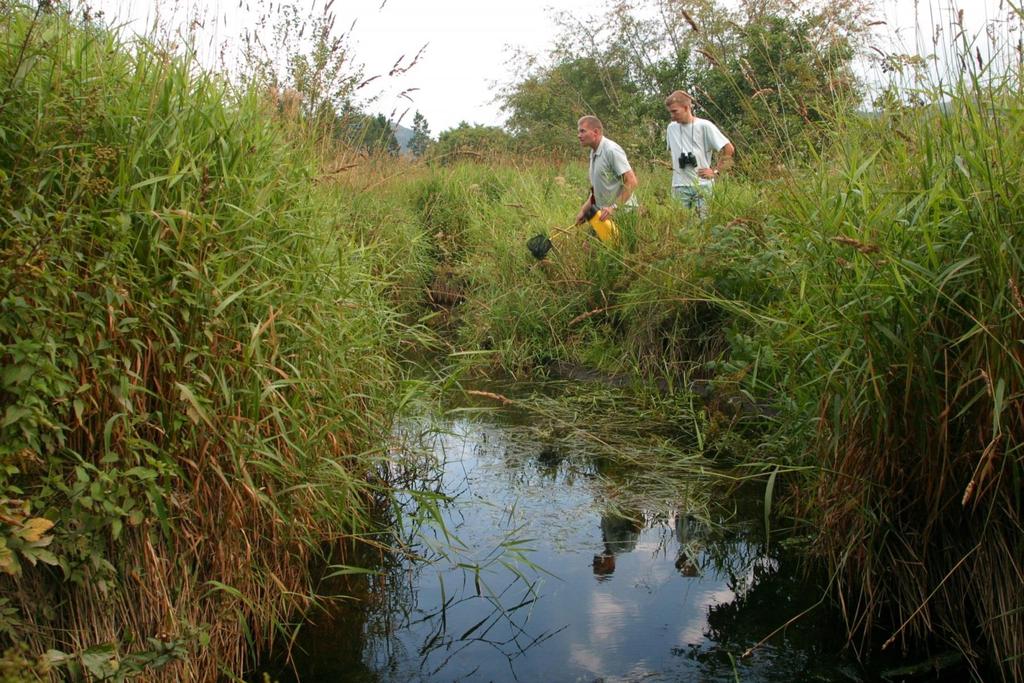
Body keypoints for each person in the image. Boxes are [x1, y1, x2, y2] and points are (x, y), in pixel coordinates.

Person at [664, 90, 734, 216]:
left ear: (686, 108)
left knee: (702, 223)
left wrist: (716, 172)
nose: (672, 116)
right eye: (670, 112)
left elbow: (729, 148)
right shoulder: (671, 128)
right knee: (681, 226)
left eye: (675, 111)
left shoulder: (704, 126)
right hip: (679, 185)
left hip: (703, 185)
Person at [575, 115, 638, 230]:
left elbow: (632, 181)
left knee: (616, 247)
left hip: (623, 214)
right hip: (603, 216)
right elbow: (597, 191)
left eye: (582, 131)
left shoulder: (611, 150)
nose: (579, 135)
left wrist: (614, 207)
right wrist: (583, 211)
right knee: (589, 246)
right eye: (578, 132)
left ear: (595, 132)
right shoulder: (593, 152)